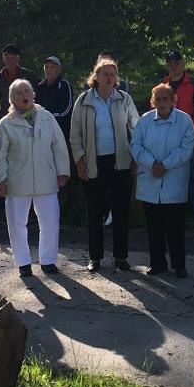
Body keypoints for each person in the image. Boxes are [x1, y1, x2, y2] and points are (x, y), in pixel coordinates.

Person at [0, 79, 70, 277]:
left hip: (46, 178)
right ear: (12, 99)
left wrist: (62, 171)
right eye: (19, 93)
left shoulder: (47, 117)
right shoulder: (6, 123)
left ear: (33, 94)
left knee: (50, 222)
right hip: (17, 181)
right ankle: (23, 263)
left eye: (27, 91)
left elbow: (58, 145)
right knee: (17, 224)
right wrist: (0, 179)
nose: (24, 95)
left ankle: (48, 260)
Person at [71, 57, 140, 272]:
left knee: (121, 211)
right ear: (96, 77)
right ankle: (95, 257)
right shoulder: (83, 100)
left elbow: (136, 130)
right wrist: (79, 161)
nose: (109, 77)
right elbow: (75, 135)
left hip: (121, 163)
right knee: (94, 212)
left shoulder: (124, 99)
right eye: (105, 74)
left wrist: (136, 158)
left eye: (113, 74)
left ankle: (121, 256)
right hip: (94, 163)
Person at [131, 83, 194, 277]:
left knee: (175, 228)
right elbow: (135, 146)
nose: (161, 103)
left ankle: (179, 265)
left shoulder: (184, 121)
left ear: (173, 100)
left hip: (174, 181)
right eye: (157, 99)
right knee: (154, 228)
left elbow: (186, 148)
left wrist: (165, 165)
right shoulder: (145, 120)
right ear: (153, 102)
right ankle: (157, 263)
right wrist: (152, 164)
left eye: (165, 99)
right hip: (150, 180)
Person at [162, 50, 194, 215]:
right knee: (172, 173)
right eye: (170, 63)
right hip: (168, 136)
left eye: (177, 63)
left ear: (183, 64)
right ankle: (176, 208)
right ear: (166, 66)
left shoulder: (193, 82)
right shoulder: (163, 84)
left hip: (190, 136)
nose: (174, 66)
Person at [34, 56, 74, 137]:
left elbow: (67, 108)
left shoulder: (64, 85)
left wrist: (49, 118)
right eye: (46, 67)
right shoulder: (39, 87)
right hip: (42, 131)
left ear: (59, 70)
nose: (49, 70)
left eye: (52, 67)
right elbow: (34, 106)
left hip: (61, 131)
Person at [0, 45, 33, 116]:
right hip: (5, 116)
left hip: (24, 116)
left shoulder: (28, 75)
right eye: (7, 58)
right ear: (3, 59)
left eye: (12, 58)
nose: (9, 61)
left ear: (18, 59)